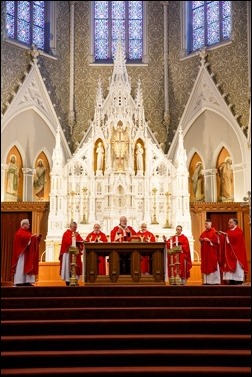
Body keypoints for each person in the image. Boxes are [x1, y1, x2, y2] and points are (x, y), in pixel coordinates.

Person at [11, 219, 41, 286]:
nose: (29, 225)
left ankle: (27, 281)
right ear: (23, 224)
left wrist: (37, 237)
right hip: (22, 254)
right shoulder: (19, 233)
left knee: (28, 266)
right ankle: (19, 281)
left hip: (28, 254)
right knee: (21, 267)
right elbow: (24, 240)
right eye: (27, 224)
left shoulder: (28, 233)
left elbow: (31, 239)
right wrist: (32, 237)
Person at [219, 218, 248, 285]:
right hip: (229, 254)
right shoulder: (228, 231)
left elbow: (236, 239)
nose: (228, 223)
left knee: (237, 268)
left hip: (237, 254)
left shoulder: (239, 231)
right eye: (229, 222)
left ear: (234, 223)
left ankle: (238, 281)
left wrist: (226, 235)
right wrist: (221, 235)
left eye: (230, 222)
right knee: (230, 276)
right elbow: (226, 239)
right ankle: (231, 281)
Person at [59, 221, 84, 286]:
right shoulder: (66, 233)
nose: (75, 229)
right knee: (68, 267)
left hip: (75, 253)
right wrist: (73, 237)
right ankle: (68, 281)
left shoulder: (76, 233)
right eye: (74, 227)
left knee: (76, 266)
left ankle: (75, 280)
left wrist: (82, 243)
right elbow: (66, 242)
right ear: (70, 227)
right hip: (68, 253)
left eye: (76, 227)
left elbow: (81, 241)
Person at [199, 220, 221, 285]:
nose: (206, 225)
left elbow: (217, 242)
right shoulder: (203, 233)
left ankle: (214, 281)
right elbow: (201, 239)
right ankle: (206, 281)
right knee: (206, 266)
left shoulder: (214, 232)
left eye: (207, 224)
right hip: (205, 253)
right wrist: (201, 240)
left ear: (211, 224)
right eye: (205, 224)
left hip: (212, 252)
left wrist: (209, 240)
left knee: (212, 265)